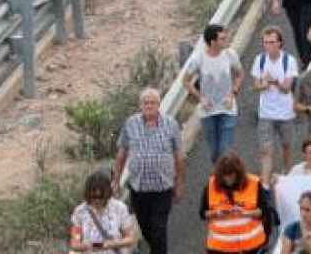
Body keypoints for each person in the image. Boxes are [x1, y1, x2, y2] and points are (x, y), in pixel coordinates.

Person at [112, 87, 184, 254]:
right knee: (146, 229)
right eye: (146, 102)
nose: (149, 106)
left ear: (159, 104)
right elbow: (121, 154)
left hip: (163, 188)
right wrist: (115, 180)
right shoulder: (131, 123)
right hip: (138, 188)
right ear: (140, 105)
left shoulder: (170, 124)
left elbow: (179, 156)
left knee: (158, 229)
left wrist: (179, 183)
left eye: (153, 102)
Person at [186, 23, 243, 163]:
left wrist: (233, 92)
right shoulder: (198, 59)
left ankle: (225, 179)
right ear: (213, 42)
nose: (226, 41)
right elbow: (185, 81)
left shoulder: (230, 55)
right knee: (215, 151)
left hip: (228, 108)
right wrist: (201, 98)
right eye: (222, 39)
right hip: (208, 111)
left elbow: (240, 74)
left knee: (225, 150)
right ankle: (219, 176)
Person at [251, 27, 299, 181]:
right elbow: (256, 86)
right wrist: (264, 84)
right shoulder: (260, 60)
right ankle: (265, 181)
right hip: (266, 113)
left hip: (285, 112)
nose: (268, 46)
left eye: (272, 42)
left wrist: (270, 81)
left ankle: (287, 173)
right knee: (266, 150)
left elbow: (286, 88)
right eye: (265, 42)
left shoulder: (289, 61)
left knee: (286, 145)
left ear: (280, 43)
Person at [199, 152, 272, 254]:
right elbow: (203, 213)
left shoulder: (253, 183)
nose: (228, 179)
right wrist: (216, 213)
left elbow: (265, 211)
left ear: (238, 172)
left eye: (231, 174)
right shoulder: (211, 186)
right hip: (220, 247)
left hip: (251, 246)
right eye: (225, 175)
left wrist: (246, 213)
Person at [71, 169, 139, 254]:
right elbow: (75, 244)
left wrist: (110, 244)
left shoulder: (119, 208)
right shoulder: (80, 211)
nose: (97, 200)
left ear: (107, 193)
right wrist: (97, 245)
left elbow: (130, 238)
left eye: (101, 197)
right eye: (93, 196)